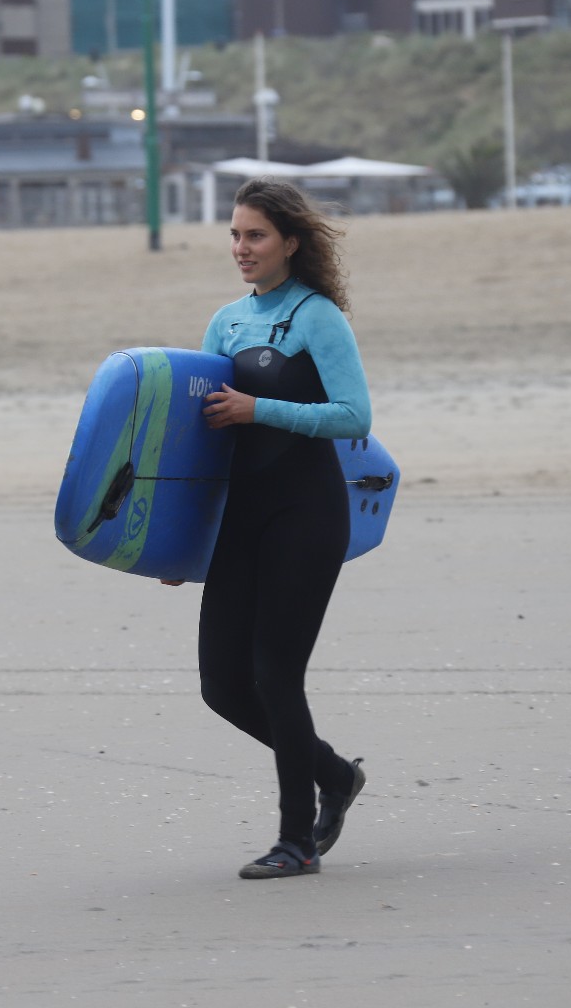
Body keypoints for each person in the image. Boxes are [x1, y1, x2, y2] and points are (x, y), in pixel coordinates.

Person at [168, 178, 370, 879]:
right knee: (222, 685)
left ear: (290, 241)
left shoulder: (319, 318)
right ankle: (334, 775)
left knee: (276, 675)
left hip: (306, 514)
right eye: (234, 234)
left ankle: (296, 842)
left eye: (255, 235)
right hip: (241, 517)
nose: (241, 247)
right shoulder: (225, 324)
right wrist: (178, 542)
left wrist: (260, 411)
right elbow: (203, 446)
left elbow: (354, 416)